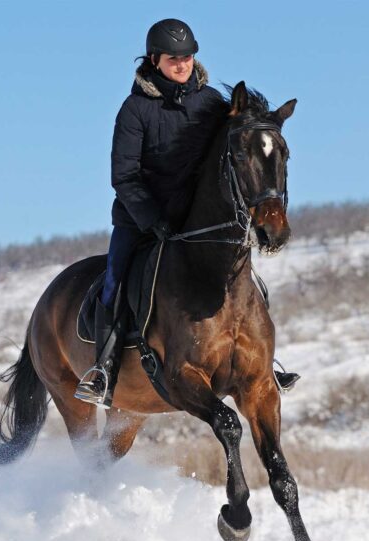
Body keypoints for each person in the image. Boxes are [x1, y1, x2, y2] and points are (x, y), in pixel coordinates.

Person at [75, 18, 299, 407]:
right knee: (114, 281)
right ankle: (103, 371)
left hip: (197, 219)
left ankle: (264, 364)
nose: (182, 64)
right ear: (154, 60)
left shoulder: (212, 102)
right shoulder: (134, 110)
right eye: (173, 58)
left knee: (247, 280)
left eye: (188, 57)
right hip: (142, 219)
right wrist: (152, 219)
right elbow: (123, 175)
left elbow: (236, 151)